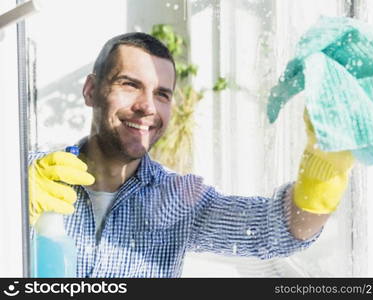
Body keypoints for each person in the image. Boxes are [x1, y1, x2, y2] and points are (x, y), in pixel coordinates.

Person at [28, 32, 354, 278]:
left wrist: (326, 162)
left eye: (162, 94)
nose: (147, 106)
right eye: (130, 84)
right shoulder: (24, 177)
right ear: (91, 91)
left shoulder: (181, 201)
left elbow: (278, 232)